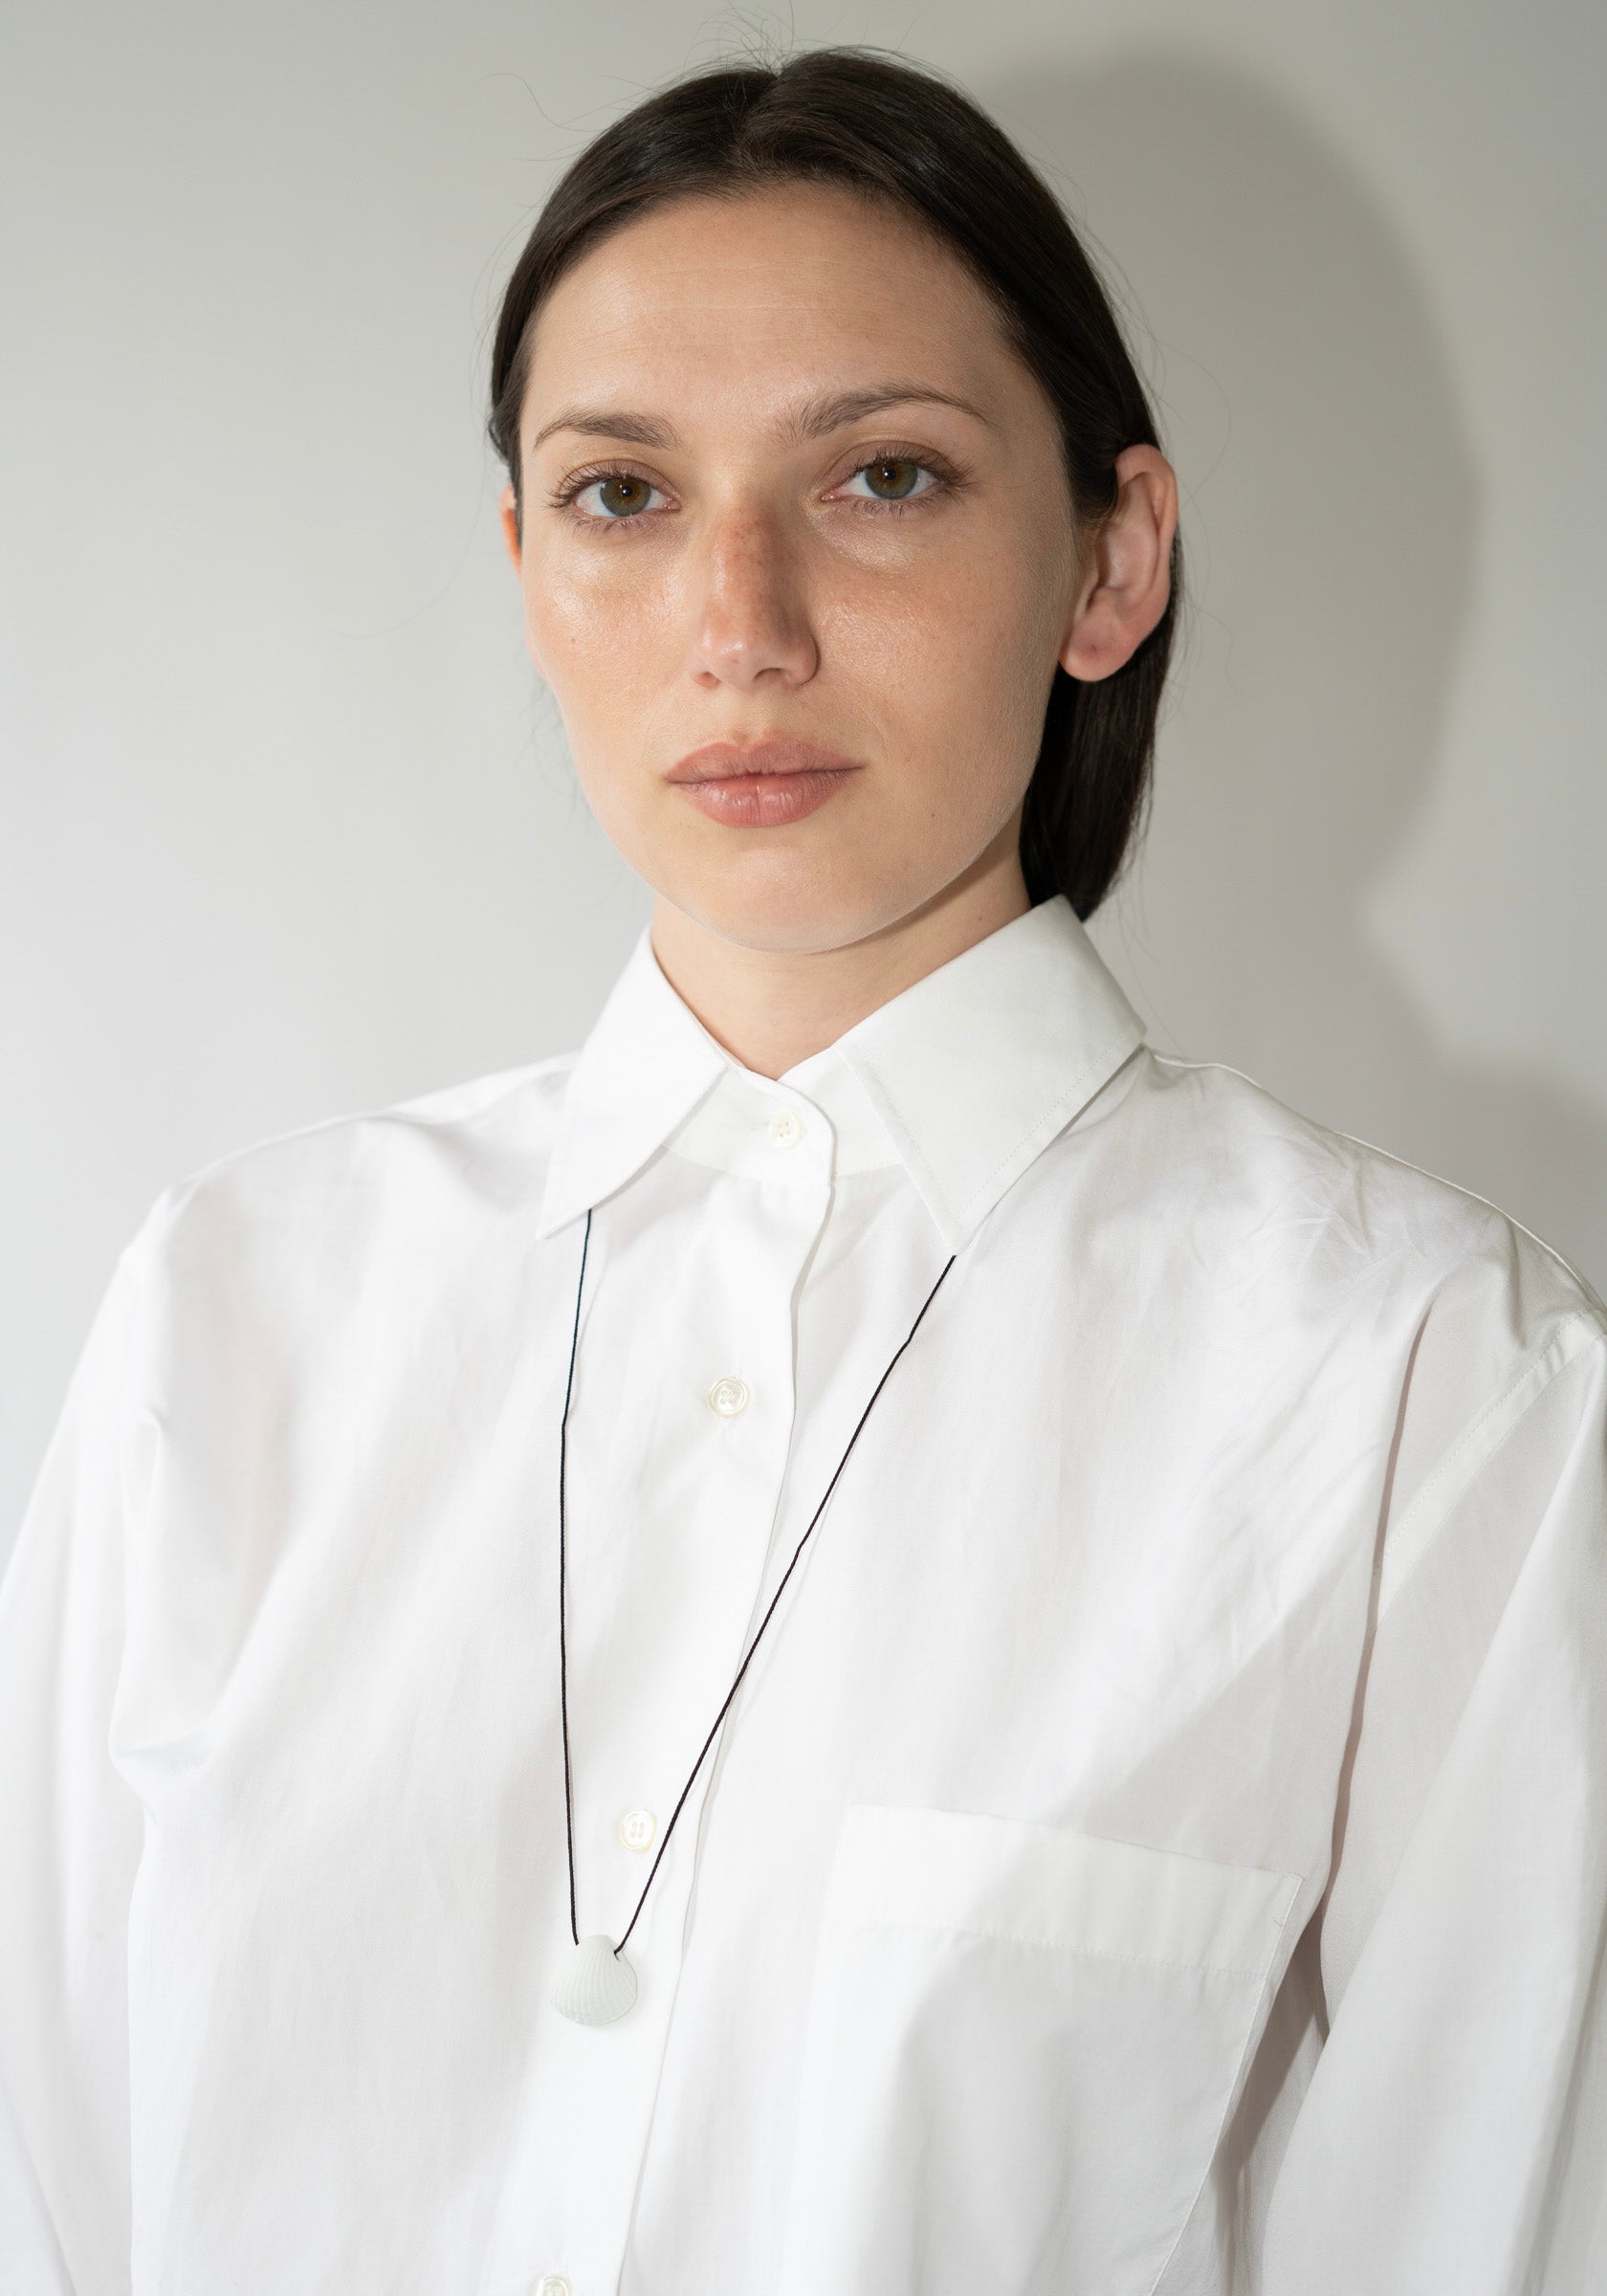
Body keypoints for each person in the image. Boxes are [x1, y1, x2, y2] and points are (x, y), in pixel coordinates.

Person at [1, 44, 1602, 2296]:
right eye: (623, 494)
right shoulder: (237, 1313)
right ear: (526, 564)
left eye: (884, 476)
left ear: (1112, 558)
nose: (739, 621)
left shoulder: (1423, 1380)